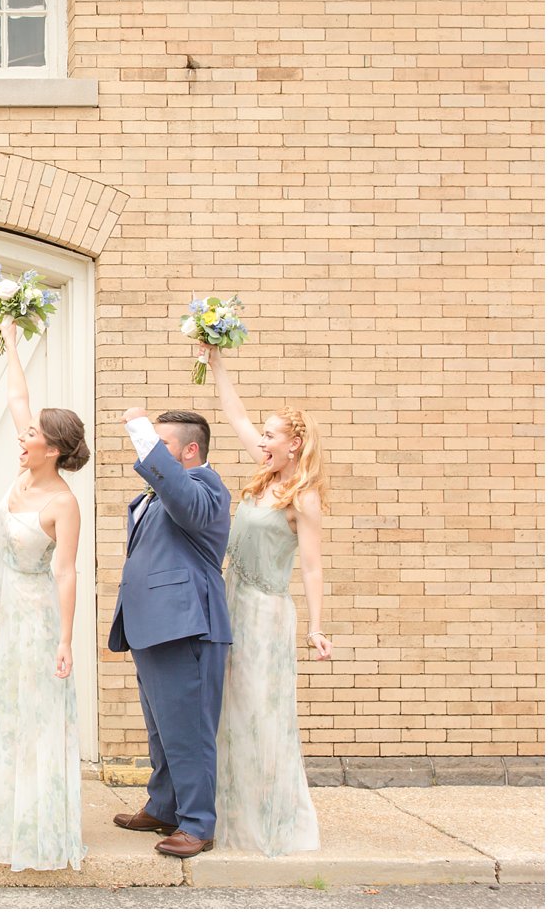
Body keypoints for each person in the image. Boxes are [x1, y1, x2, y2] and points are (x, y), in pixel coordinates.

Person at [0, 318, 89, 871]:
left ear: (52, 450)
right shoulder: (23, 473)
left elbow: (67, 573)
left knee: (31, 717)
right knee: (2, 713)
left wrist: (65, 640)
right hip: (3, 611)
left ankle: (34, 824)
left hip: (35, 618)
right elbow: (17, 395)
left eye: (32, 435)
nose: (22, 436)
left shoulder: (62, 503)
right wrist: (12, 344)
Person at [205, 345, 330, 855]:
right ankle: (227, 809)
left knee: (260, 710)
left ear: (294, 444)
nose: (263, 439)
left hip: (266, 613)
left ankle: (271, 819)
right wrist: (215, 362)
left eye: (271, 435)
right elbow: (235, 414)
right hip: (234, 601)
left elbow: (313, 565)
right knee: (229, 711)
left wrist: (317, 627)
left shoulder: (303, 496)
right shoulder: (263, 475)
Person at [107, 405, 232, 858]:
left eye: (162, 445)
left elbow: (181, 496)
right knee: (162, 727)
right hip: (153, 626)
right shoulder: (160, 495)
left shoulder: (205, 487)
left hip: (187, 628)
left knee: (189, 730)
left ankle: (198, 824)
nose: (151, 451)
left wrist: (142, 431)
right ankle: (164, 806)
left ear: (190, 450)